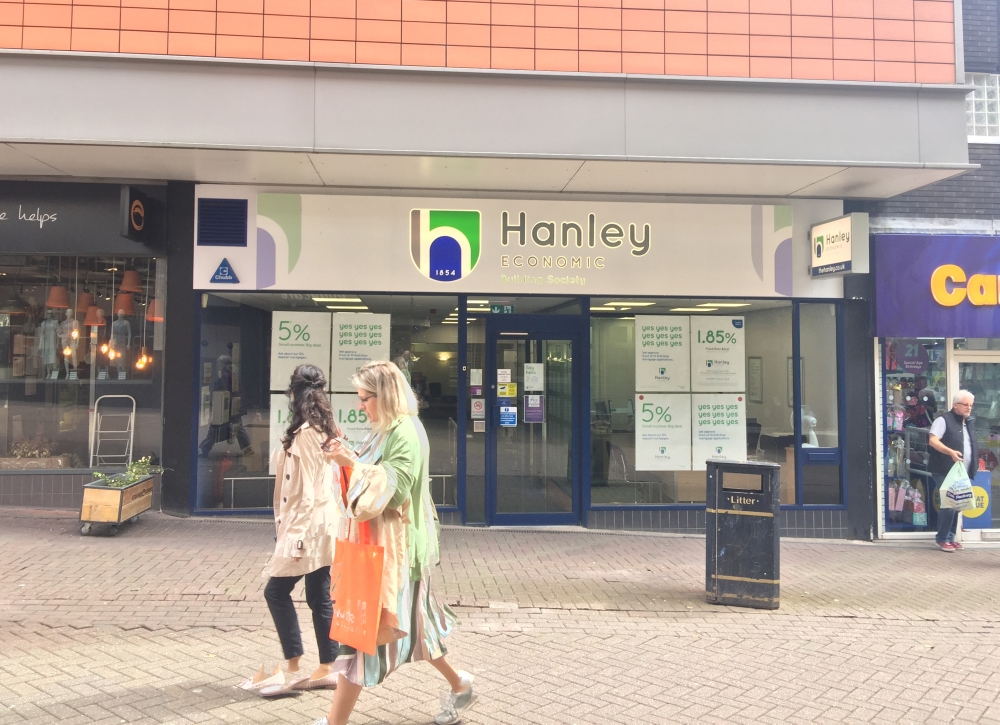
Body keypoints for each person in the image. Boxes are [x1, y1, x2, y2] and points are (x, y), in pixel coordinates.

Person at [315, 360, 475, 725]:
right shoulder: (391, 427)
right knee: (418, 630)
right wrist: (349, 456)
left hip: (394, 552)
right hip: (397, 549)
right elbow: (378, 472)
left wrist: (348, 462)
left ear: (385, 395)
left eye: (365, 398)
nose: (361, 406)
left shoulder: (403, 432)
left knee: (363, 636)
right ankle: (460, 685)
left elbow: (393, 488)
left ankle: (333, 721)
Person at [240, 364, 341, 695]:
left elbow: (307, 494)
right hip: (324, 526)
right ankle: (328, 668)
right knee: (318, 595)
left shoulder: (309, 435)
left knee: (276, 591)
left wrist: (293, 536)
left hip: (307, 528)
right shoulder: (323, 430)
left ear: (293, 394)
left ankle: (295, 667)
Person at [928, 389, 977, 553]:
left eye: (971, 405)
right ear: (955, 405)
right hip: (945, 469)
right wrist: (950, 452)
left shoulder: (968, 422)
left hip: (962, 472)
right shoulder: (943, 420)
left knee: (957, 504)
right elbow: (933, 441)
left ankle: (950, 537)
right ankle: (942, 538)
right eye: (965, 405)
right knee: (948, 503)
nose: (969, 408)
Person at [199, 354, 252, 457]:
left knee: (216, 427)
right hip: (235, 404)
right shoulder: (233, 373)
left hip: (228, 405)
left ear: (223, 363)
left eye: (219, 363)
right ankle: (247, 448)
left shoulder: (225, 375)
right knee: (237, 426)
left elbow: (223, 390)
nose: (218, 364)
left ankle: (204, 448)